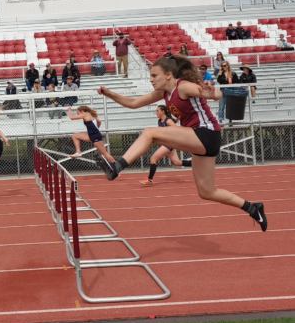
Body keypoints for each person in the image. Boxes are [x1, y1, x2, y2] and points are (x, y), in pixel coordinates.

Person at [96, 55, 268, 231]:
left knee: (150, 133)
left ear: (168, 75)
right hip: (199, 139)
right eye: (150, 76)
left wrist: (212, 92)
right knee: (207, 192)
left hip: (206, 134)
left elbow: (217, 94)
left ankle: (116, 167)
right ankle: (253, 208)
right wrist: (109, 94)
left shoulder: (183, 87)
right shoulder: (164, 93)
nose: (151, 80)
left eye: (154, 75)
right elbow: (133, 103)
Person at [139, 105, 192, 185]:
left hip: (169, 144)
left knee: (153, 159)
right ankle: (196, 164)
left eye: (157, 111)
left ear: (163, 112)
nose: (156, 113)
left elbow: (178, 130)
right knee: (177, 162)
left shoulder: (168, 121)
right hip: (167, 143)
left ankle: (150, 180)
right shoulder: (160, 121)